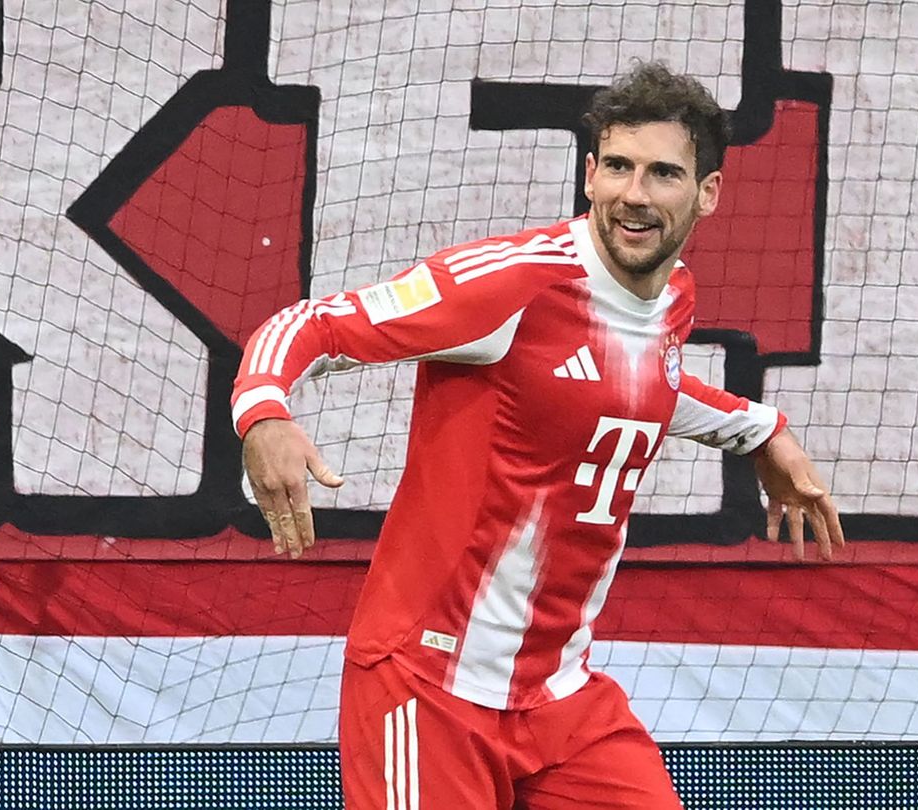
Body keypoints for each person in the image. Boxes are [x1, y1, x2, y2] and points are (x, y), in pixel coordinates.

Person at [232, 62, 844, 810]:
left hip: (561, 699)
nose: (634, 195)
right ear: (589, 175)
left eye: (663, 174)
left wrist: (761, 429)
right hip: (428, 688)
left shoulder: (672, 297)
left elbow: (642, 383)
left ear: (707, 193)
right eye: (617, 166)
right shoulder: (510, 284)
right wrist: (264, 412)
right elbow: (315, 322)